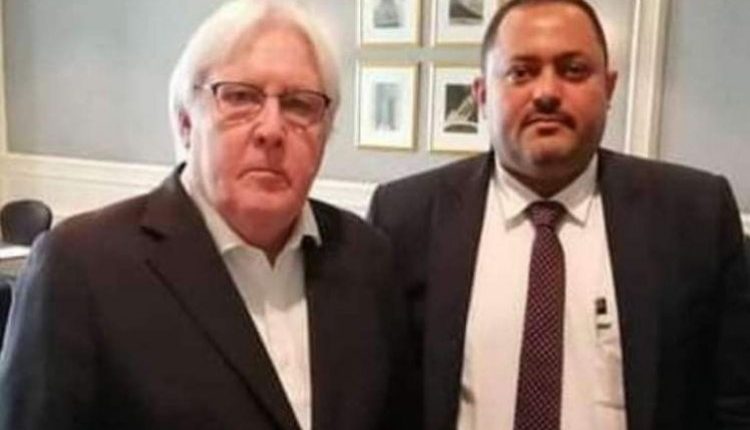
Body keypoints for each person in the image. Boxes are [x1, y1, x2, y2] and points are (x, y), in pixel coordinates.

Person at [0, 1, 416, 429]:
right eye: (240, 97)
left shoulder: (366, 258)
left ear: (326, 131)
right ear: (185, 122)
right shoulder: (79, 268)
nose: (271, 129)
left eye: (299, 104)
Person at [368, 0, 750, 429]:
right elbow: (376, 400)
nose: (547, 92)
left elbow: (736, 403)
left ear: (609, 88)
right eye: (521, 72)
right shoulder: (404, 219)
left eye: (573, 70)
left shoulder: (696, 216)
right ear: (482, 96)